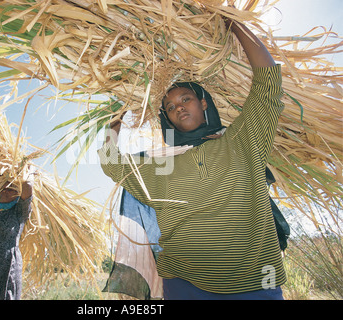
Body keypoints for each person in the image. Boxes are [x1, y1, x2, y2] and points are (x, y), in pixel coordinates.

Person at [98, 19, 286, 300]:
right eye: (170, 107)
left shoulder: (242, 142)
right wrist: (119, 110)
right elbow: (109, 160)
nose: (179, 108)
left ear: (204, 102)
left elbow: (268, 81)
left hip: (256, 281)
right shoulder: (159, 165)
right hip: (186, 286)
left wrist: (234, 24)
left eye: (186, 99)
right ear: (166, 119)